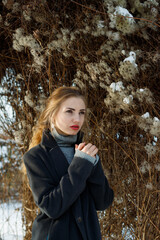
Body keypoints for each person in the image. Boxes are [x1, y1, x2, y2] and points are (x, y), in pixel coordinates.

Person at [23, 86, 114, 240]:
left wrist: (93, 165)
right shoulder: (36, 156)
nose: (77, 119)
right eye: (69, 111)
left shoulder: (86, 152)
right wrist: (81, 165)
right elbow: (52, 207)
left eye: (81, 113)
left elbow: (103, 202)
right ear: (52, 115)